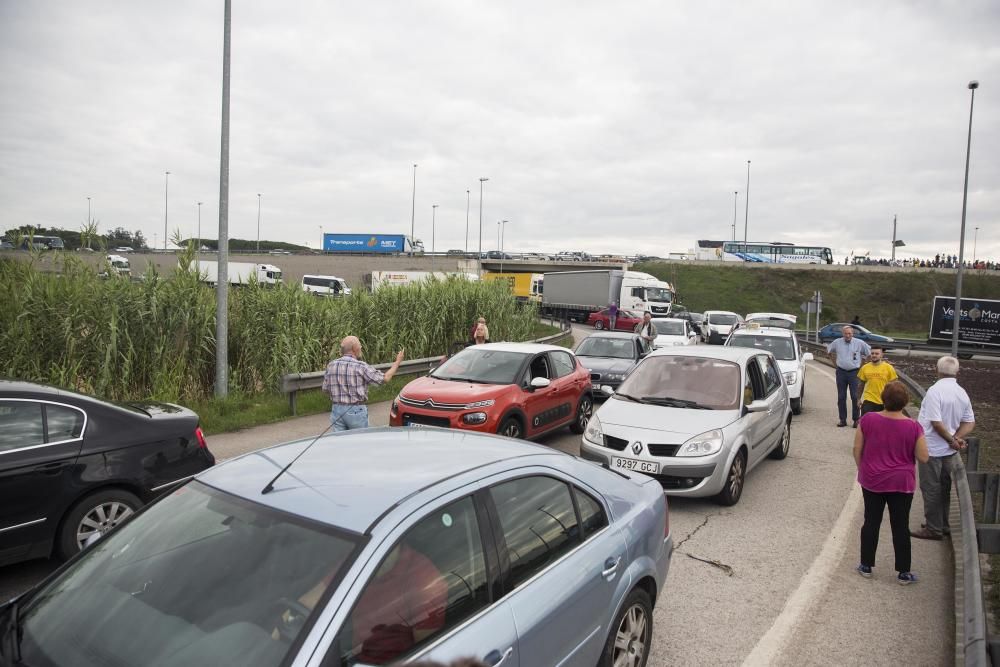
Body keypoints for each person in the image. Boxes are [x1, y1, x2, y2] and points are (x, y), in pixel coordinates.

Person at [853, 381, 929, 584]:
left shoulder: (868, 419)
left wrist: (864, 469)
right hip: (901, 483)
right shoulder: (913, 426)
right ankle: (903, 572)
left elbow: (857, 449)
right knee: (900, 525)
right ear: (905, 402)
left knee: (871, 522)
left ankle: (866, 565)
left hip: (872, 480)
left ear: (883, 399)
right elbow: (923, 457)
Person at [911, 355, 976, 541]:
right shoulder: (961, 392)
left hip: (931, 447)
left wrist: (951, 439)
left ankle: (933, 529)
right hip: (949, 451)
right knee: (944, 487)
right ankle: (942, 523)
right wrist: (957, 438)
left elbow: (936, 423)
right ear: (957, 372)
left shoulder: (934, 391)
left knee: (930, 487)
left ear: (936, 370)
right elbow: (970, 421)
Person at [321, 336, 404, 430]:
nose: (361, 347)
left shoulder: (331, 365)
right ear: (354, 348)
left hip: (336, 410)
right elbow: (385, 378)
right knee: (360, 441)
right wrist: (398, 361)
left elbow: (325, 389)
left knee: (341, 443)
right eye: (360, 345)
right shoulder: (361, 366)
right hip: (356, 410)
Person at [826, 325, 871, 428]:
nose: (848, 335)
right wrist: (834, 363)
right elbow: (828, 350)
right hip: (841, 372)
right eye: (846, 333)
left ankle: (856, 420)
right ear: (843, 334)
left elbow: (869, 353)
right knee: (841, 397)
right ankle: (842, 420)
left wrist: (863, 364)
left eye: (849, 333)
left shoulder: (859, 343)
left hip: (854, 373)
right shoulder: (837, 342)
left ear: (852, 334)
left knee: (855, 396)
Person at [857, 344, 898, 416]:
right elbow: (861, 384)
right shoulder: (865, 367)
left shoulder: (889, 368)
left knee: (881, 426)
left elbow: (895, 386)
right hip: (868, 400)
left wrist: (893, 401)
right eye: (872, 353)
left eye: (877, 353)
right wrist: (858, 399)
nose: (874, 355)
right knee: (866, 424)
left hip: (884, 401)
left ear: (881, 355)